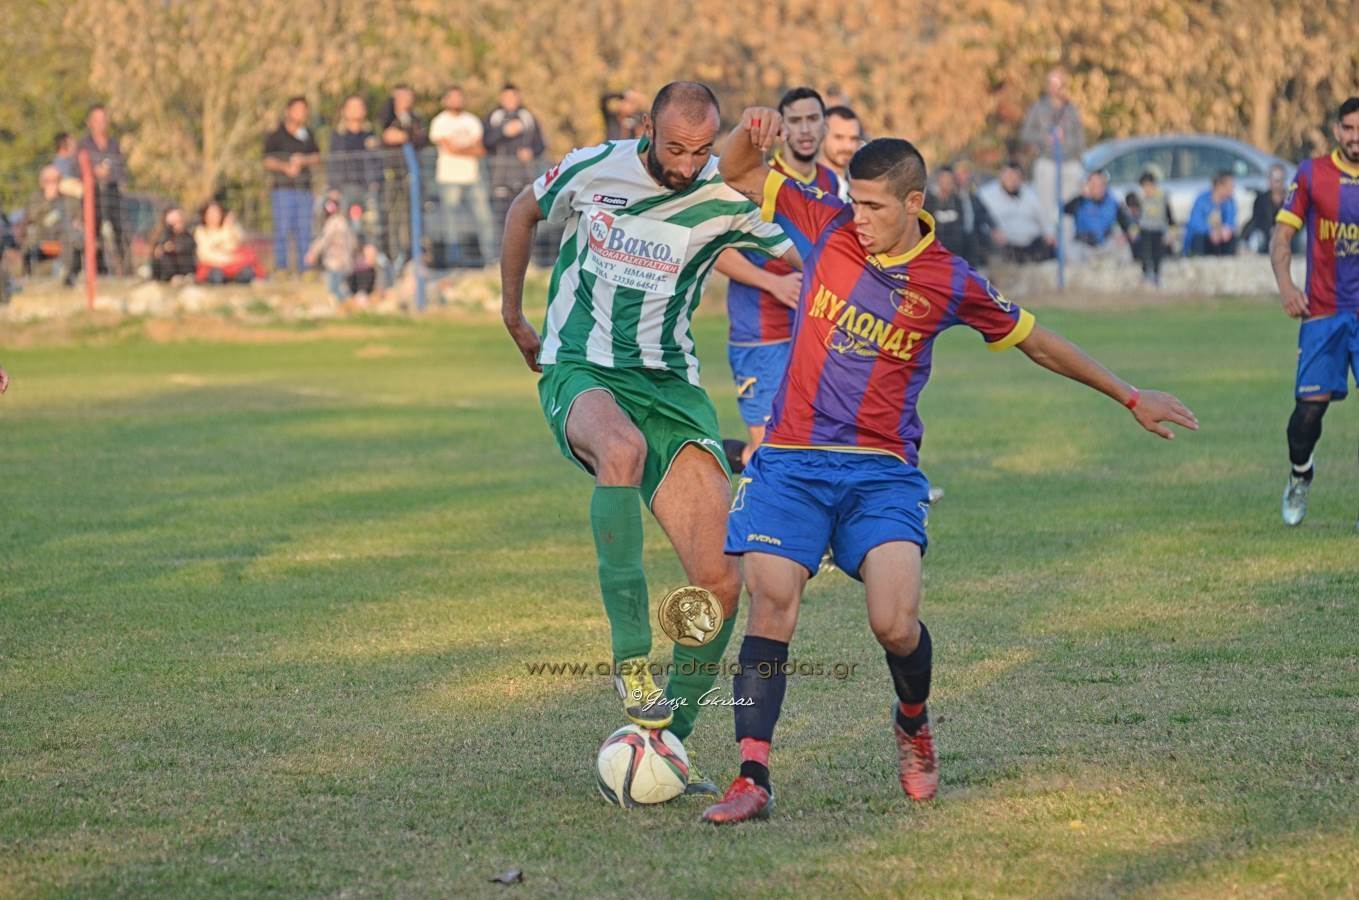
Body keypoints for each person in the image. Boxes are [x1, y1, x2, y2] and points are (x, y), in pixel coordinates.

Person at [702, 107, 1198, 824]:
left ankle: (912, 723)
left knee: (894, 624)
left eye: (873, 206)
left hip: (880, 473)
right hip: (790, 462)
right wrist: (749, 133)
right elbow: (737, 170)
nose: (858, 218)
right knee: (770, 600)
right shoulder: (826, 224)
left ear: (913, 203)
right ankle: (751, 776)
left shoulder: (949, 280)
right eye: (853, 201)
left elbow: (1036, 340)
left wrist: (1128, 395)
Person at [499, 82, 797, 794]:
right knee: (622, 451)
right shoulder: (593, 167)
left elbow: (810, 255)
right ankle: (631, 659)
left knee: (721, 578)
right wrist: (513, 315)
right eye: (674, 149)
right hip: (581, 367)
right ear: (645, 128)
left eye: (701, 151)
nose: (687, 164)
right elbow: (521, 211)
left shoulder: (723, 196)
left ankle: (666, 740)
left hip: (670, 388)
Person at [716, 86, 837, 471]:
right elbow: (717, 250)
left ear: (825, 125)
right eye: (795, 121)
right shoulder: (757, 179)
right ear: (782, 129)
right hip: (761, 332)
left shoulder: (831, 182)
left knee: (819, 441)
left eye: (812, 119)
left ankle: (734, 458)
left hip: (814, 333)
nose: (805, 129)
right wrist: (773, 283)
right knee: (773, 450)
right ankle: (731, 461)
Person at [1273, 96, 1359, 528]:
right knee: (1307, 415)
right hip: (1323, 313)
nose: (1355, 137)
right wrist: (1287, 285)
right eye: (1349, 128)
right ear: (1337, 130)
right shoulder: (1312, 174)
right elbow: (1281, 237)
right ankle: (1300, 474)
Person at [429, 86, 496, 266]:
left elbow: (480, 149)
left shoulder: (472, 121)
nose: (456, 101)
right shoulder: (439, 122)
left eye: (459, 97)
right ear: (445, 100)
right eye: (452, 97)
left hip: (473, 177)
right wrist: (467, 149)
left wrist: (458, 149)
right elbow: (448, 148)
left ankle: (490, 258)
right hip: (449, 178)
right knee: (451, 221)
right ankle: (454, 260)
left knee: (484, 217)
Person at [1020, 68, 1086, 240]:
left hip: (1069, 161)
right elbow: (1026, 134)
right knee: (1046, 205)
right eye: (1052, 84)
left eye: (1058, 84)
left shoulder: (1071, 109)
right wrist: (1044, 138)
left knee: (1070, 206)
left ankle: (1068, 241)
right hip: (1047, 161)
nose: (1055, 88)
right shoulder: (1038, 107)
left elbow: (1080, 137)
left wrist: (1078, 157)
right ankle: (1049, 240)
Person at [263, 96, 321, 275]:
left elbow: (317, 156)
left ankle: (306, 268)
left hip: (304, 189)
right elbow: (266, 160)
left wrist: (303, 160)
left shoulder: (307, 134)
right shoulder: (276, 135)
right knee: (282, 229)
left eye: (304, 109)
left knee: (305, 229)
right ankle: (281, 268)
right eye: (297, 109)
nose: (301, 113)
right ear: (288, 111)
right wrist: (285, 167)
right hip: (282, 189)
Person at [377, 85, 429, 271]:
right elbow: (383, 137)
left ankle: (411, 256)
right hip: (391, 174)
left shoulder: (416, 119)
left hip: (412, 175)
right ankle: (391, 256)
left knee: (412, 216)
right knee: (390, 216)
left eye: (408, 96)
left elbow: (421, 139)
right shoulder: (386, 118)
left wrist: (404, 136)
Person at [484, 84, 546, 233]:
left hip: (524, 178)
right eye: (506, 97)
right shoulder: (494, 117)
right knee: (501, 220)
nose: (510, 100)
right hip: (500, 178)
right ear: (501, 98)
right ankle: (501, 248)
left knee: (526, 219)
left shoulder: (528, 117)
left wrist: (531, 152)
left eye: (513, 96)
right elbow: (486, 142)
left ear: (518, 97)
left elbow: (541, 144)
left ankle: (528, 248)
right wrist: (504, 132)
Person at [77, 105, 130, 275]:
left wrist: (109, 173)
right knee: (94, 232)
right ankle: (98, 270)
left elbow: (121, 169)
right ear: (89, 122)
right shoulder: (83, 145)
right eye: (97, 120)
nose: (101, 124)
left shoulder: (114, 144)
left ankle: (125, 269)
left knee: (121, 229)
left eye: (103, 120)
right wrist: (93, 172)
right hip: (93, 194)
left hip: (112, 191)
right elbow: (77, 169)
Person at [978, 160, 1053, 262]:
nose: (1012, 180)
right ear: (1001, 175)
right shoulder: (986, 195)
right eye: (1008, 176)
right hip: (1003, 245)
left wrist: (1049, 234)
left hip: (1030, 244)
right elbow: (980, 220)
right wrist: (991, 232)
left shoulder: (1031, 194)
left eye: (1015, 177)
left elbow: (1045, 219)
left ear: (1021, 178)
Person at [327, 96, 383, 224]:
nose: (356, 110)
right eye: (352, 107)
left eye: (359, 106)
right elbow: (333, 163)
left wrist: (375, 181)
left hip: (368, 188)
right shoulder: (337, 136)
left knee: (371, 225)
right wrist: (334, 187)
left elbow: (378, 161)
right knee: (345, 225)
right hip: (344, 188)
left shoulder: (370, 135)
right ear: (344, 111)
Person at [21, 165, 82, 283]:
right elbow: (31, 218)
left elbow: (79, 216)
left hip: (66, 237)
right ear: (42, 183)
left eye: (56, 180)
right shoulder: (36, 198)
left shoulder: (68, 199)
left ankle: (69, 275)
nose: (52, 184)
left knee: (73, 237)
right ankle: (64, 275)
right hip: (42, 236)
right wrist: (48, 201)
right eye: (48, 181)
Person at [1063, 170, 1132, 258]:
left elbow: (1128, 223)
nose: (1097, 189)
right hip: (1084, 246)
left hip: (1105, 245)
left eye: (1100, 185)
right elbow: (1064, 210)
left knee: (1124, 248)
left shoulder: (1113, 202)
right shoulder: (1080, 201)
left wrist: (1127, 236)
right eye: (1093, 185)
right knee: (1072, 251)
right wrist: (1081, 196)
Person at [194, 200, 258, 284]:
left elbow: (239, 242)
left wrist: (230, 226)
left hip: (235, 265)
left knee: (247, 273)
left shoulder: (229, 227)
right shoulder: (201, 231)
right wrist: (228, 258)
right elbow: (204, 255)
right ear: (204, 215)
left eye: (216, 213)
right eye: (210, 213)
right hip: (214, 266)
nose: (214, 216)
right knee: (216, 275)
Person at [1183, 172, 1237, 256]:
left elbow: (1230, 222)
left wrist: (1226, 230)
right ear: (1219, 185)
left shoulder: (1230, 202)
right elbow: (1195, 222)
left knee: (1232, 238)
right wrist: (1210, 231)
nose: (1232, 188)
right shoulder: (1202, 199)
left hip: (1220, 238)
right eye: (1230, 186)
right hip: (1204, 238)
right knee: (1198, 237)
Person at [1134, 169, 1173, 285]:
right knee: (1145, 252)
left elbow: (1170, 218)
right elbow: (1137, 218)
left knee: (1157, 254)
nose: (1146, 190)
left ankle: (1156, 275)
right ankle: (1146, 274)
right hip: (1145, 230)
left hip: (1158, 230)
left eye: (1148, 186)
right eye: (1144, 187)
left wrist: (1170, 233)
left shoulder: (1162, 198)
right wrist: (1134, 230)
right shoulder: (1142, 199)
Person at [1243, 164, 1289, 254]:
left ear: (1283, 181)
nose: (1272, 182)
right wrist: (1271, 231)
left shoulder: (1290, 200)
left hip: (1286, 236)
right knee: (1256, 238)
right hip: (1266, 235)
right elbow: (1257, 221)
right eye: (1270, 178)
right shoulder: (1261, 199)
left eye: (1276, 180)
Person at [821, 106, 863, 202]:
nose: (847, 146)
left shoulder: (861, 188)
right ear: (821, 135)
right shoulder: (805, 187)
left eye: (853, 138)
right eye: (839, 137)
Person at [150, 207, 196, 283]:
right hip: (167, 271)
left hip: (184, 269)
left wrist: (173, 247)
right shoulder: (163, 234)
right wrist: (164, 248)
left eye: (179, 220)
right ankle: (171, 277)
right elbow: (157, 252)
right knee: (164, 255)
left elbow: (188, 246)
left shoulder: (188, 234)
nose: (177, 224)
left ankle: (184, 276)